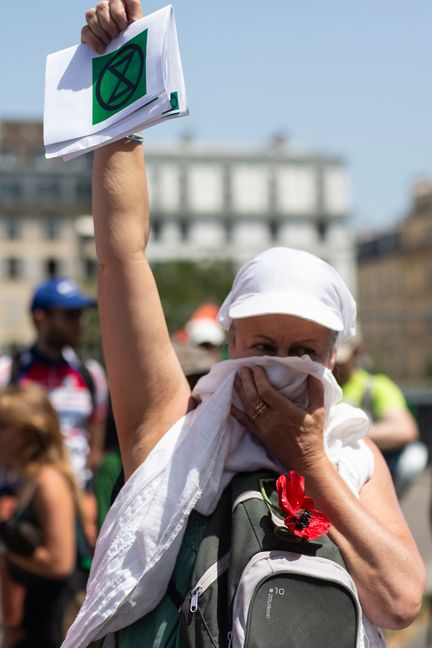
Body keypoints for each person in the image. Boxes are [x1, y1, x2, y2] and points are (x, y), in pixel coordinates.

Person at [62, 2, 425, 645]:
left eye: (304, 349)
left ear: (334, 357)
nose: (279, 362)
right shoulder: (174, 428)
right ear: (230, 340)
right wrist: (122, 77)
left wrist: (308, 459)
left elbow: (399, 600)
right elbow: (122, 255)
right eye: (261, 344)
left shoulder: (352, 455)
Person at [0, 277, 108, 640]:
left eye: (81, 315)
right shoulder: (8, 372)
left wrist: (87, 499)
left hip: (71, 498)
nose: (80, 323)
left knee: (66, 598)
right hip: (20, 498)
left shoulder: (90, 375)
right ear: (40, 318)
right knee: (18, 608)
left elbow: (93, 446)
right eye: (70, 315)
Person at [0, 384, 91, 648]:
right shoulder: (29, 480)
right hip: (37, 618)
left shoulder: (49, 482)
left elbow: (60, 563)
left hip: (56, 621)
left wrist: (7, 550)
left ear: (30, 432)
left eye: (4, 426)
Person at [333, 338, 427, 496]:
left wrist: (343, 432)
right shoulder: (311, 386)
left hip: (367, 471)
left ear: (357, 351)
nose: (333, 363)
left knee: (414, 456)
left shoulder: (375, 386)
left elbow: (404, 430)